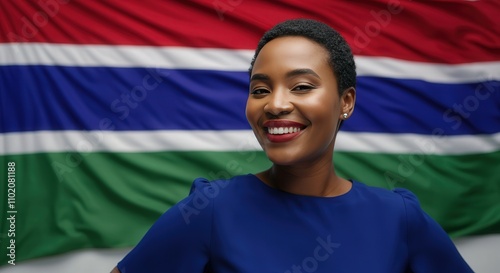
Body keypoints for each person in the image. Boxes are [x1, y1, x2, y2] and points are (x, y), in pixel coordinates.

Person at [112, 18, 473, 273]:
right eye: (260, 90)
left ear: (345, 102)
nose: (275, 104)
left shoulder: (398, 218)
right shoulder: (211, 210)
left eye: (301, 86)